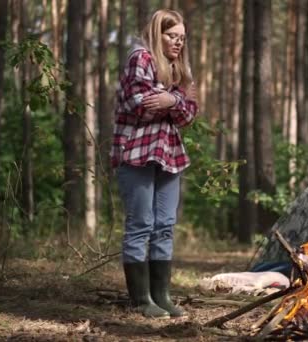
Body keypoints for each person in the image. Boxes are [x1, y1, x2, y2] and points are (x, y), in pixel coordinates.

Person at [111, 9, 198, 318]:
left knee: (165, 226)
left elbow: (189, 114)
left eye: (182, 38)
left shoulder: (179, 67)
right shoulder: (141, 58)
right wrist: (172, 99)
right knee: (140, 225)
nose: (178, 42)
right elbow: (142, 108)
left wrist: (171, 99)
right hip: (135, 151)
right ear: (156, 33)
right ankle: (140, 299)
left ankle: (161, 296)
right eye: (172, 36)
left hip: (169, 154)